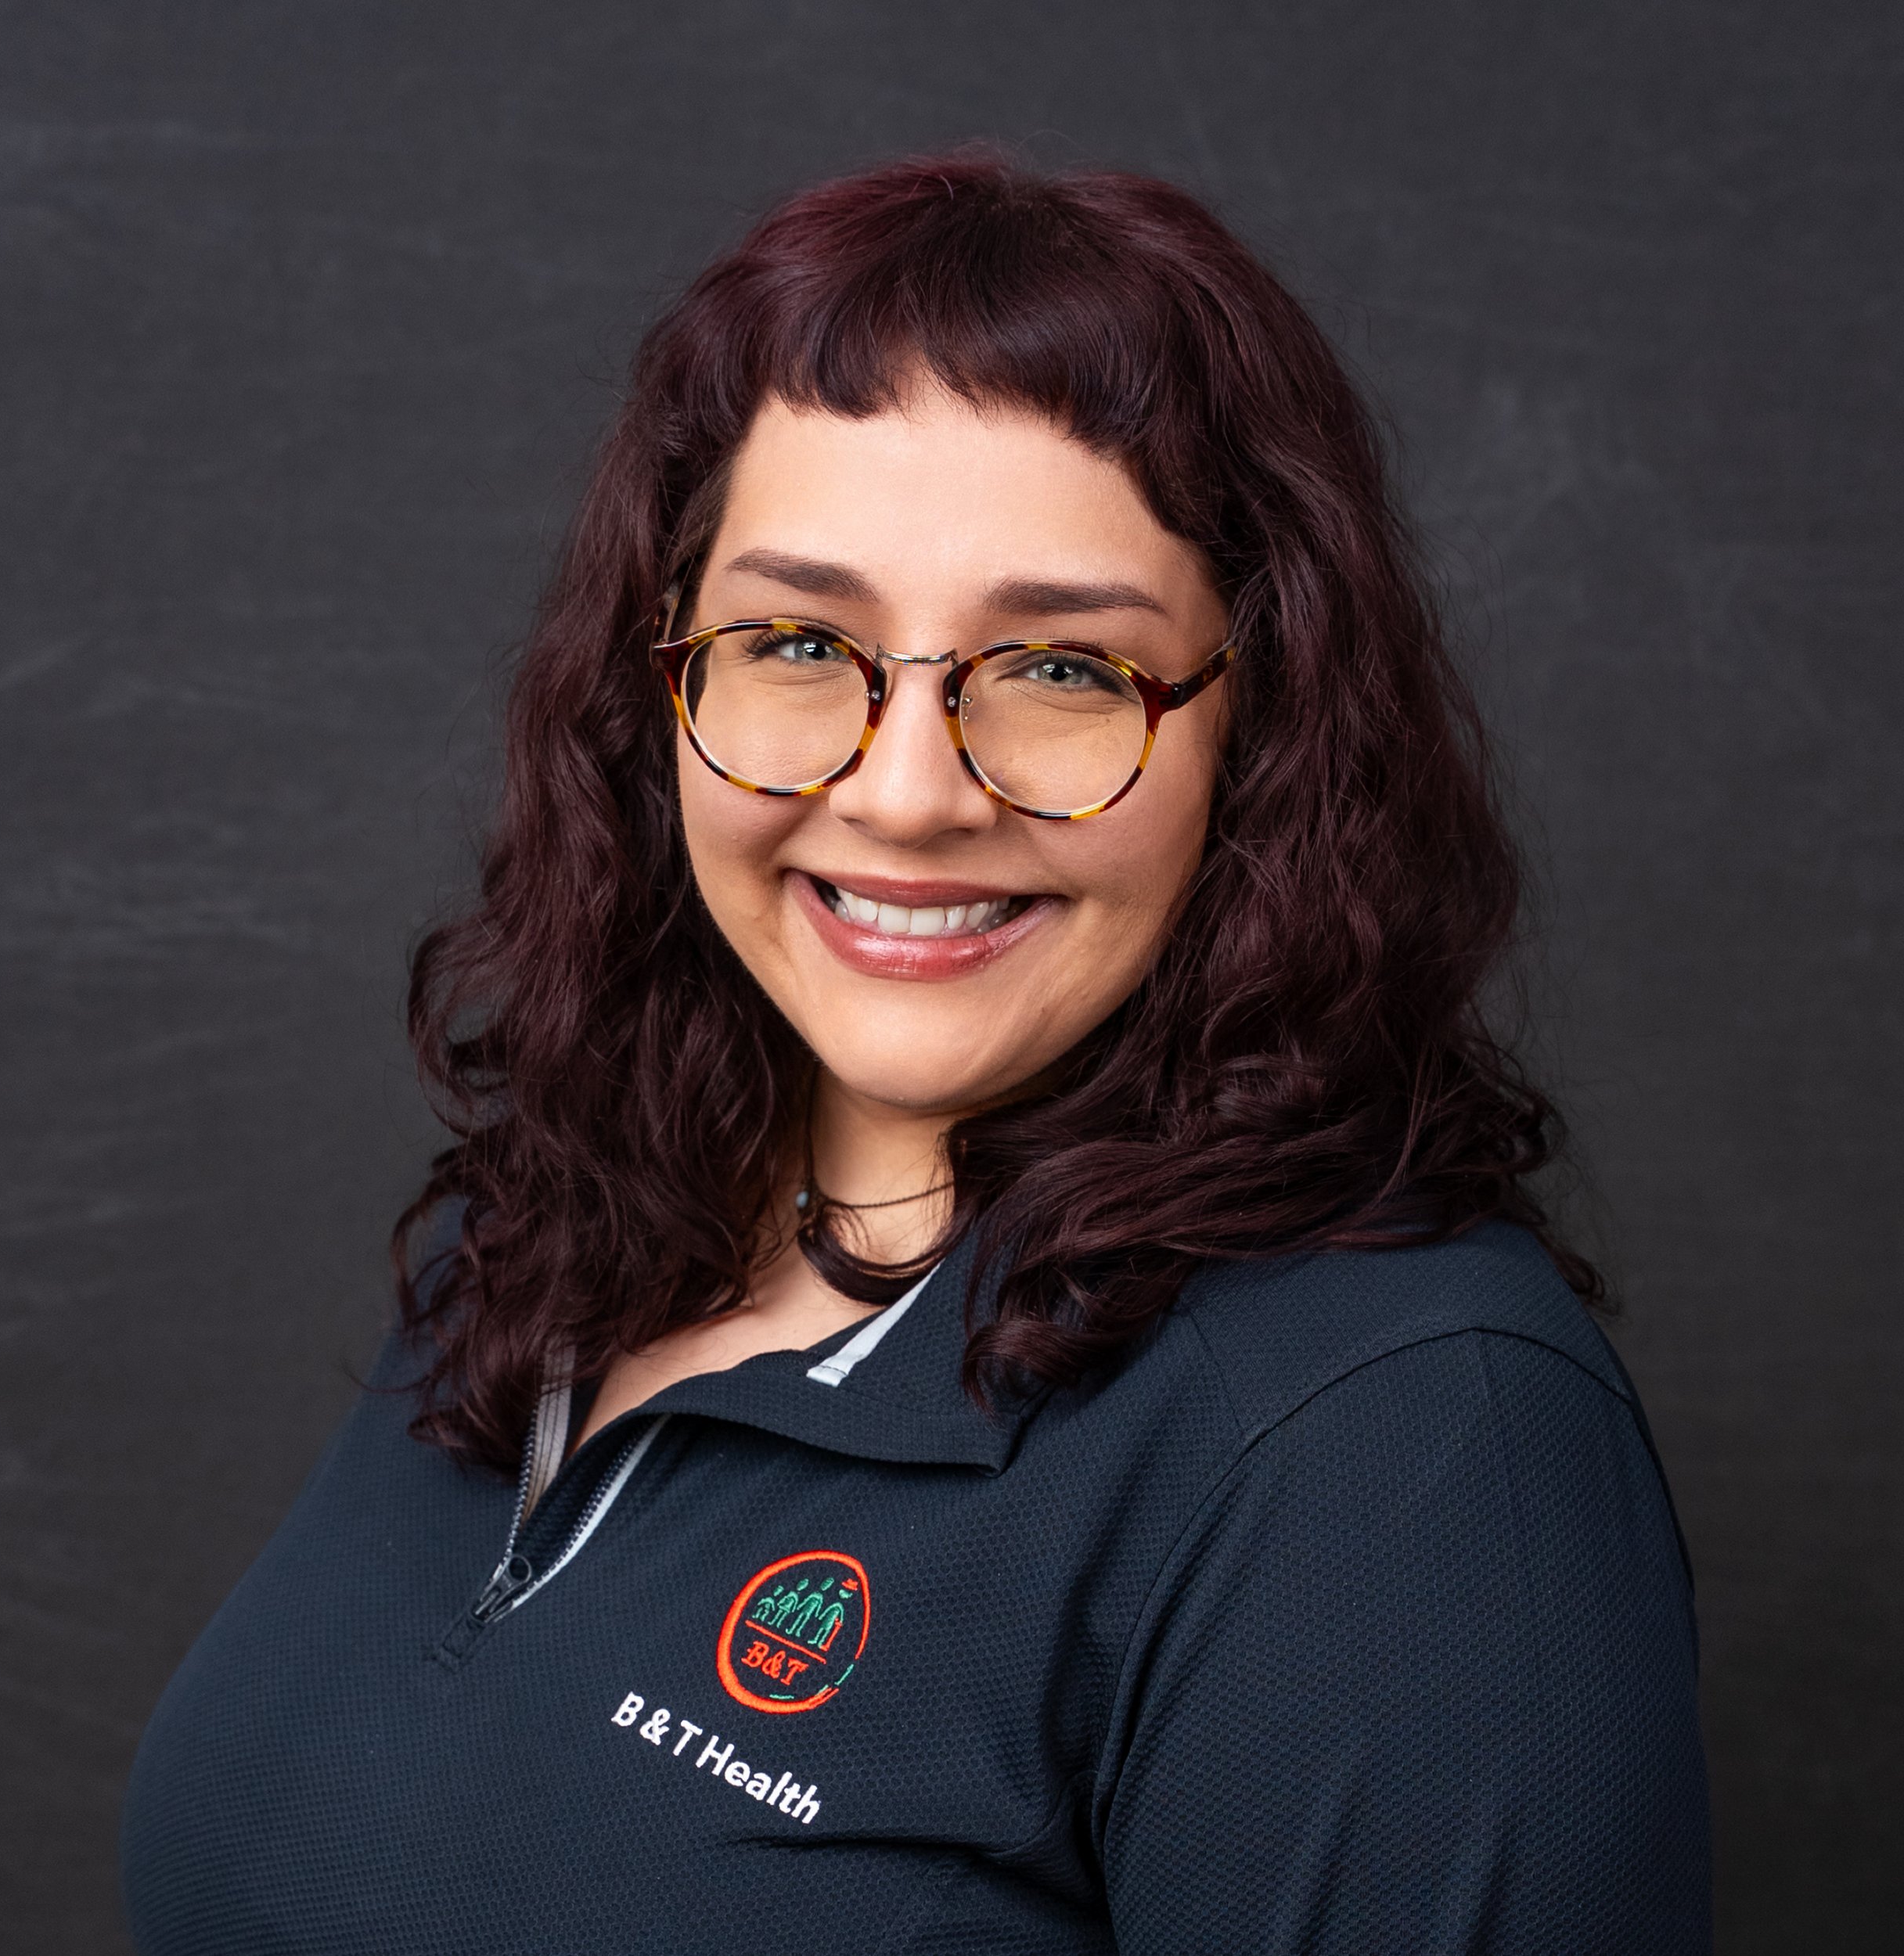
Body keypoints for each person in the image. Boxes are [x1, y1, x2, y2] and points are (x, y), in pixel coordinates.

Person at [121, 152, 1711, 1954]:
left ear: (1257, 731)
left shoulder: (1402, 1454)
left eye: (1057, 669)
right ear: (661, 680)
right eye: (799, 639)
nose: (901, 791)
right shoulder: (551, 1233)